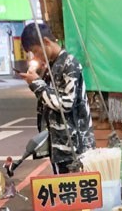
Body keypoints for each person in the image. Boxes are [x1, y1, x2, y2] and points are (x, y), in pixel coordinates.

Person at [19, 22, 95, 173]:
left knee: (75, 193)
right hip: (60, 147)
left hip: (75, 149)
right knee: (64, 192)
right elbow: (48, 100)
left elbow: (65, 104)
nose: (35, 56)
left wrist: (37, 84)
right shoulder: (51, 66)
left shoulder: (69, 64)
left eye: (35, 51)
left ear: (46, 42)